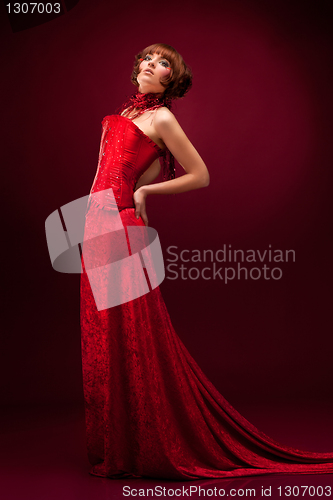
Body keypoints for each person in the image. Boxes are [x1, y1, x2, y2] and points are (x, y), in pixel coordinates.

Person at [80, 43, 333, 479]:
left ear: (170, 80)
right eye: (147, 58)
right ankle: (117, 441)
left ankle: (144, 443)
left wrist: (143, 194)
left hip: (121, 228)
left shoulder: (162, 117)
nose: (149, 64)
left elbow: (200, 174)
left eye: (162, 63)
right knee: (104, 336)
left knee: (135, 335)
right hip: (96, 225)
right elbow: (127, 169)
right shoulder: (122, 116)